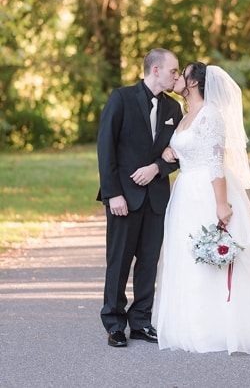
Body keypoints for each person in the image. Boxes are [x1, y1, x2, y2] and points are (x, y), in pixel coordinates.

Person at [152, 62, 250, 354]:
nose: (176, 77)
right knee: (187, 254)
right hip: (185, 193)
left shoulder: (211, 115)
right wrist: (169, 150)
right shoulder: (186, 115)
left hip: (207, 191)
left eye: (182, 73)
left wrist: (220, 204)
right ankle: (192, 322)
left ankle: (221, 325)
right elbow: (186, 149)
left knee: (213, 251)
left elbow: (215, 162)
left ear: (193, 82)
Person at [96, 48, 183, 347]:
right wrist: (113, 194)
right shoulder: (121, 98)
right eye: (173, 70)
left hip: (156, 200)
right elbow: (105, 148)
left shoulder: (173, 109)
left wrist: (157, 167)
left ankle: (141, 322)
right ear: (155, 70)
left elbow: (179, 154)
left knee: (148, 263)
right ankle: (114, 324)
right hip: (123, 199)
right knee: (118, 262)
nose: (177, 76)